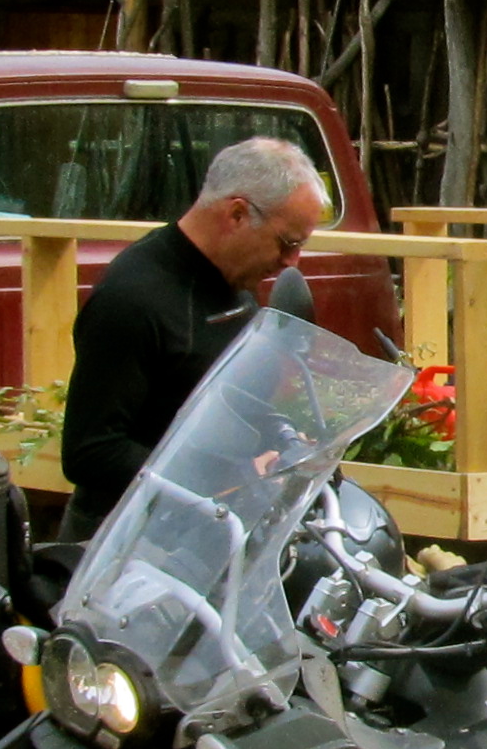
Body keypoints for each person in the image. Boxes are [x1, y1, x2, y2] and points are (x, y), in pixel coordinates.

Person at [57, 134, 332, 535]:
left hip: (207, 529)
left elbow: (229, 395)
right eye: (287, 243)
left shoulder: (234, 276)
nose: (292, 261)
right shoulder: (132, 298)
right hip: (125, 540)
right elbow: (91, 451)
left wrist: (284, 439)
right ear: (237, 215)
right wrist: (226, 478)